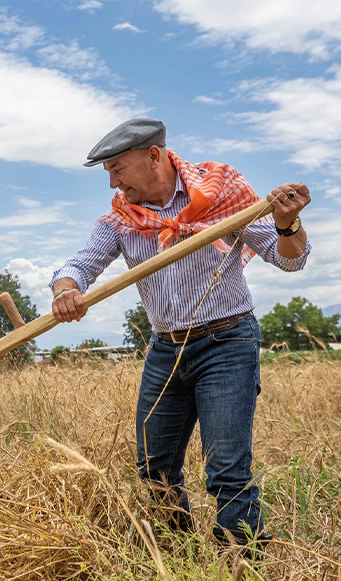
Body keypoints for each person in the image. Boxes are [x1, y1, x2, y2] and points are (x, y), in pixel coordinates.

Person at [50, 118, 311, 549]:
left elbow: (288, 260)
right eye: (109, 173)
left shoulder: (221, 196)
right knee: (155, 467)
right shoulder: (121, 219)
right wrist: (67, 290)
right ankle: (176, 557)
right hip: (165, 349)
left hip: (227, 343)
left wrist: (288, 225)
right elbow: (79, 265)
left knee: (227, 468)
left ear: (154, 156)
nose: (113, 182)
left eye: (118, 168)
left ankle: (241, 560)